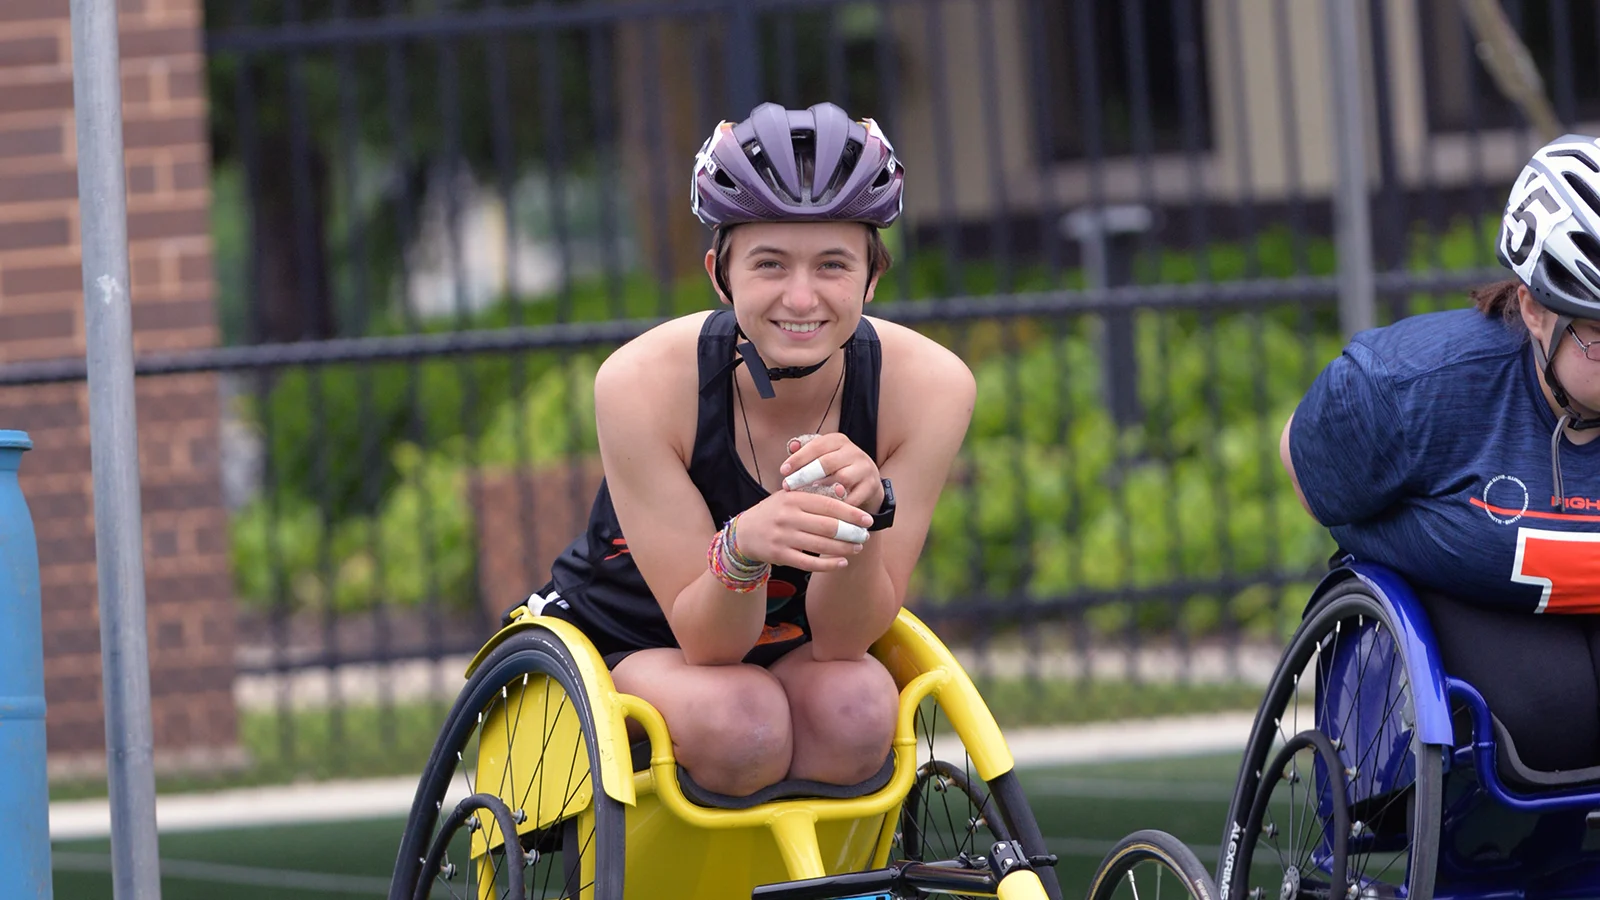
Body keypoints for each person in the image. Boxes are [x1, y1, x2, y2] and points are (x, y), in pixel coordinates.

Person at [523, 102, 976, 798]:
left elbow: (844, 640)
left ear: (872, 277)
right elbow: (710, 645)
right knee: (745, 724)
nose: (801, 297)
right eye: (770, 264)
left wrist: (863, 519)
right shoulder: (640, 383)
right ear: (721, 274)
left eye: (832, 263)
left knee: (858, 708)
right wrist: (743, 547)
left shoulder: (931, 388)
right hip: (643, 640)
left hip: (797, 644)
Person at [1281, 132, 1600, 774]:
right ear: (1536, 311)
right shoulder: (1406, 389)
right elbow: (1303, 464)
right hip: (1471, 605)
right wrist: (1442, 542)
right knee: (1555, 712)